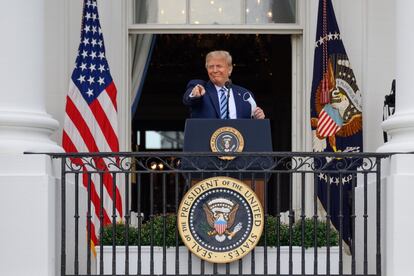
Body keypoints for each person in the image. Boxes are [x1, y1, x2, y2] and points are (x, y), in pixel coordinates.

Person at [183, 50, 265, 119]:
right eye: (211, 67)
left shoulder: (245, 95)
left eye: (219, 66)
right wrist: (194, 94)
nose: (215, 70)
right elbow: (188, 100)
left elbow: (252, 125)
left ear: (229, 69)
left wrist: (258, 117)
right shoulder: (200, 88)